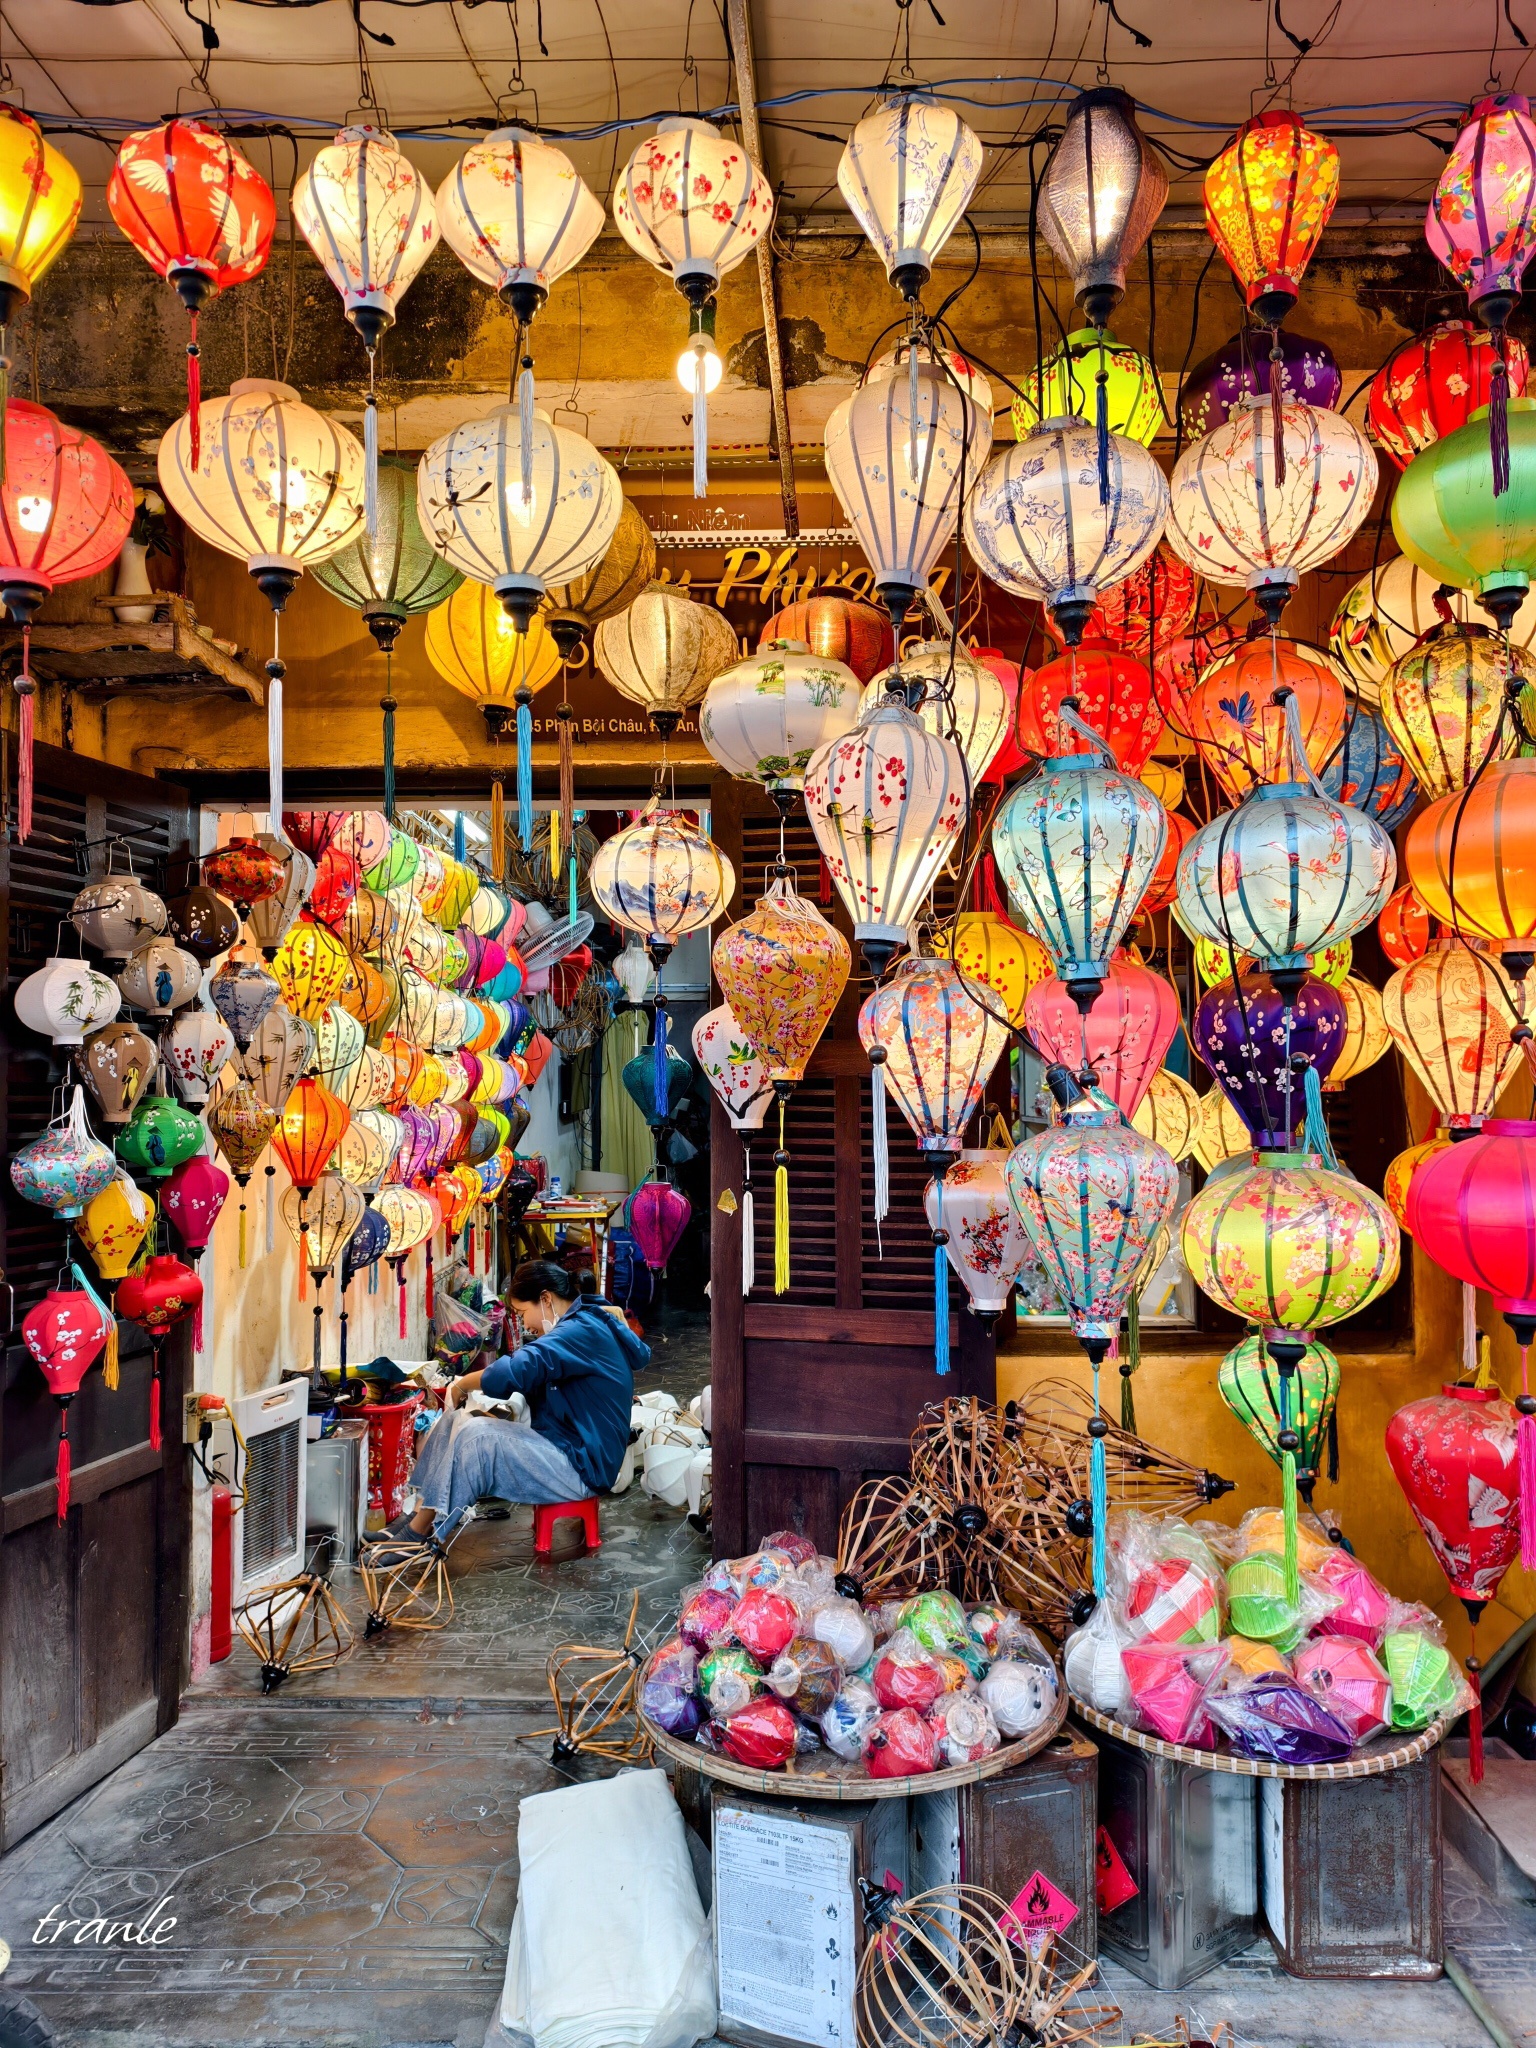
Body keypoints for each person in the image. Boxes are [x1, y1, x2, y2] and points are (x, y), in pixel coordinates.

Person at [377, 1260, 648, 1543]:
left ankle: (417, 1536)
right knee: (456, 1421)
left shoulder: (579, 1332)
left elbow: (517, 1368)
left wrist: (461, 1384)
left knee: (476, 1436)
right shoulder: (581, 1324)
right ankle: (417, 1516)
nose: (526, 1324)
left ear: (545, 1299)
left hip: (585, 1467)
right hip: (568, 1446)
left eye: (522, 1313)